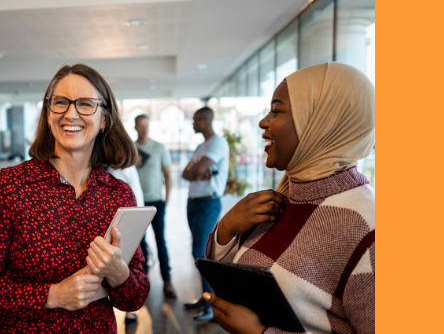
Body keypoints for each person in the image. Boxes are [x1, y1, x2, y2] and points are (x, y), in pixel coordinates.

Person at [0, 64, 150, 334]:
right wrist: (53, 295)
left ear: (105, 119)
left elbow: (135, 298)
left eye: (85, 104)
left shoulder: (118, 194)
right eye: (60, 103)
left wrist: (118, 272)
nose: (71, 113)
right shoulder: (11, 185)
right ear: (48, 114)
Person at [203, 62, 375, 334]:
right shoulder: (282, 199)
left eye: (277, 110)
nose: (262, 122)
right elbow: (238, 281)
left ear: (321, 121)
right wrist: (226, 229)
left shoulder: (365, 227)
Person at [181, 106, 229, 321]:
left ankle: (212, 305)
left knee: (201, 251)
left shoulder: (217, 142)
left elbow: (197, 170)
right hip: (193, 202)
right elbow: (186, 173)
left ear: (204, 120)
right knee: (199, 251)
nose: (192, 123)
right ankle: (205, 297)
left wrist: (197, 172)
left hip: (208, 203)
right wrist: (195, 172)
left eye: (195, 120)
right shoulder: (201, 146)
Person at [134, 114, 177, 298]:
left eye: (147, 126)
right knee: (139, 244)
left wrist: (167, 197)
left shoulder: (159, 148)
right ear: (135, 127)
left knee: (161, 241)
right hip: (136, 203)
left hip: (156, 201)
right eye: (141, 126)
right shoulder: (130, 148)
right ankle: (142, 282)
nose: (144, 129)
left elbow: (167, 173)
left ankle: (167, 281)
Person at [104, 164, 145, 326]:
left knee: (127, 263)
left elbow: (135, 201)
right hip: (121, 221)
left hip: (129, 221)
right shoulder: (108, 171)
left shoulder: (123, 171)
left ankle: (130, 313)